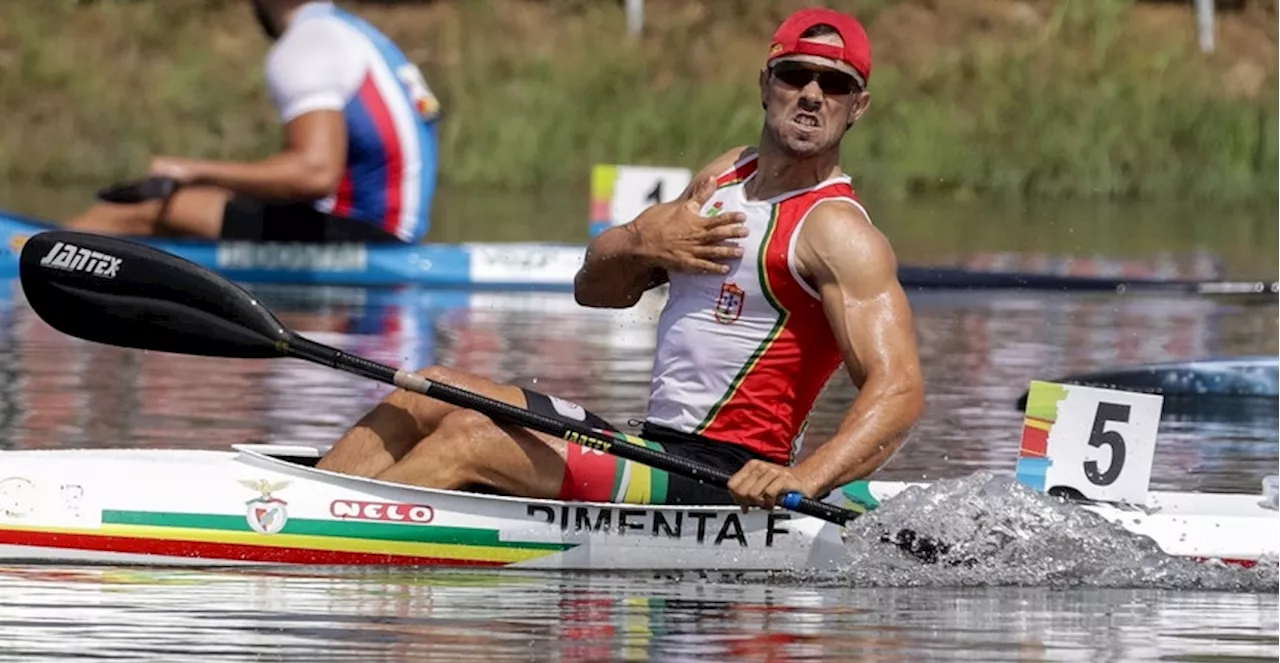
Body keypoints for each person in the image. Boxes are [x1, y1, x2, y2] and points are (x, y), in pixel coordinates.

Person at [315, 7, 926, 510]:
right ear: (766, 82)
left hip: (726, 477)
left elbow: (899, 390)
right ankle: (304, 503)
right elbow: (596, 288)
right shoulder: (723, 176)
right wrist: (640, 244)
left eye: (836, 84)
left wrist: (806, 477)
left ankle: (318, 538)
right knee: (430, 390)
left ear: (858, 106)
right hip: (653, 447)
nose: (813, 95)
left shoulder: (837, 233)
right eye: (796, 75)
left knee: (470, 438)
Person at [66, 0, 441, 244]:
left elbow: (314, 174)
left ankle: (32, 257)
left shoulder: (308, 43)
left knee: (136, 212)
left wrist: (190, 170)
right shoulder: (350, 33)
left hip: (363, 236)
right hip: (389, 232)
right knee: (202, 210)